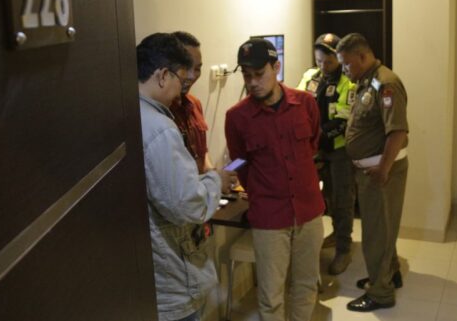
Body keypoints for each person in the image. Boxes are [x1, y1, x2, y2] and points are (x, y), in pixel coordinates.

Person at [224, 38, 325, 321]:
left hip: (308, 211)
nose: (253, 82)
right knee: (270, 296)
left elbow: (313, 145)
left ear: (276, 67)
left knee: (306, 285)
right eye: (247, 75)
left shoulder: (305, 103)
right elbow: (239, 161)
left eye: (259, 74)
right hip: (269, 217)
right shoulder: (237, 117)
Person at [137, 33, 234, 321]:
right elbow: (187, 204)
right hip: (171, 273)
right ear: (163, 76)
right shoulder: (160, 129)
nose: (183, 87)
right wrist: (216, 181)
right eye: (181, 78)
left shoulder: (127, 113)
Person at [336, 33, 409, 312]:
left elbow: (397, 131)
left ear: (363, 56)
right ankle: (390, 274)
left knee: (377, 233)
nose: (344, 69)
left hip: (381, 171)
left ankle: (380, 293)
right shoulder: (368, 81)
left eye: (347, 63)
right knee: (383, 227)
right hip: (373, 169)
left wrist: (383, 169)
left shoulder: (386, 83)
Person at [297, 33, 357, 275]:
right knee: (321, 198)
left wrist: (315, 137)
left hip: (339, 150)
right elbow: (297, 104)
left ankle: (344, 248)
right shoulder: (310, 76)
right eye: (319, 61)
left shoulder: (348, 82)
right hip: (312, 149)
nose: (323, 66)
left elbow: (344, 119)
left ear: (338, 59)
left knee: (342, 199)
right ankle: (333, 234)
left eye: (328, 62)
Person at [169, 31, 214, 174]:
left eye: (197, 69)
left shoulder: (195, 104)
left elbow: (202, 153)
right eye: (186, 67)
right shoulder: (162, 112)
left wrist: (214, 174)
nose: (192, 76)